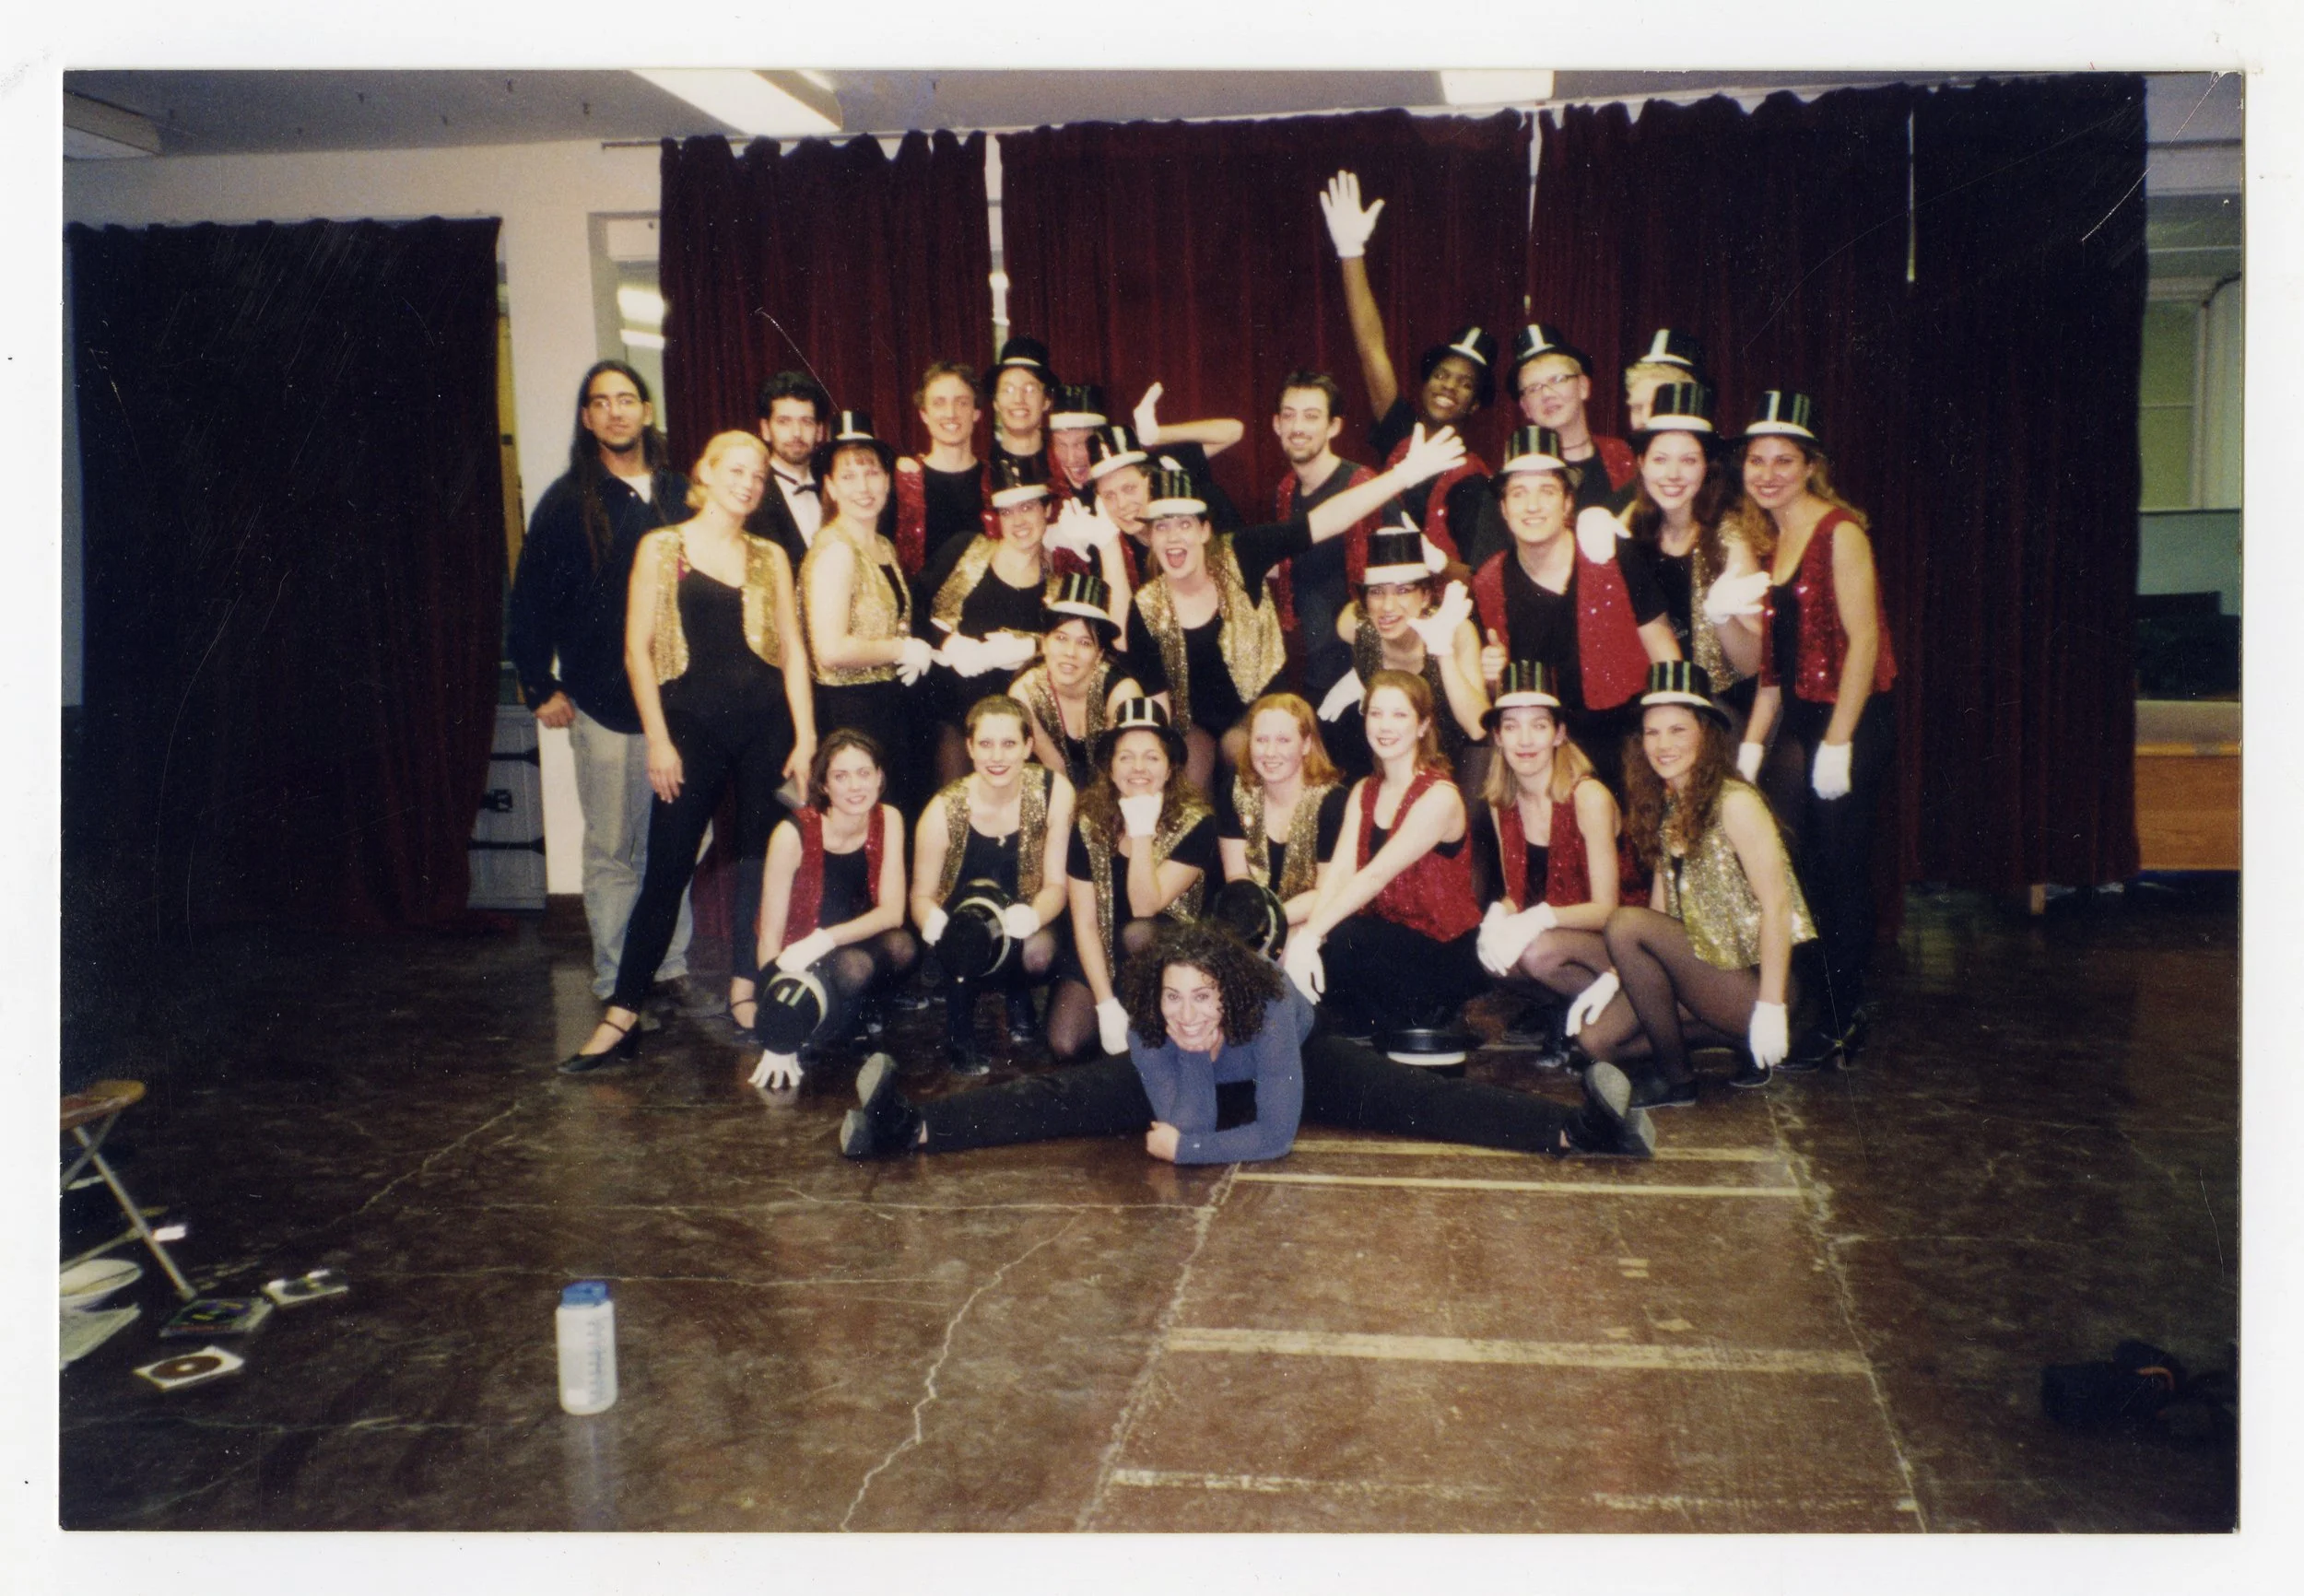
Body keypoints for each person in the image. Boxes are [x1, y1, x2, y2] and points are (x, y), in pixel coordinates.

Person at [837, 919, 1655, 1163]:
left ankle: (1581, 1131)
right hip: (1202, 1078)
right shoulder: (1161, 1026)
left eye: (1201, 997)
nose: (1188, 1012)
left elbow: (1271, 1134)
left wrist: (1184, 1148)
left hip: (1296, 1064)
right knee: (1064, 1097)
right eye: (1174, 998)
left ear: (1226, 992)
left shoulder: (1263, 1011)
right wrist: (1187, 1124)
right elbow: (1187, 1103)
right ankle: (907, 1126)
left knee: (1416, 1099)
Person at [558, 429, 817, 1074]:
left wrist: (807, 737)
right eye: (736, 470)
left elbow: (792, 651)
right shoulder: (660, 546)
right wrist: (659, 739)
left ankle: (745, 990)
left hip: (766, 730)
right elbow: (637, 651)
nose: (748, 482)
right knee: (667, 869)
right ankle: (621, 1016)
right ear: (704, 471)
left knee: (757, 865)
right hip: (691, 729)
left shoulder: (769, 556)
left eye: (758, 475)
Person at [507, 361, 714, 1019]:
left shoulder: (684, 496)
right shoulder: (568, 503)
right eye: (602, 403)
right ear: (588, 418)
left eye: (627, 399)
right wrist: (539, 684)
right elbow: (531, 600)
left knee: (677, 842)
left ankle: (669, 964)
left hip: (680, 704)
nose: (617, 412)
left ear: (646, 410)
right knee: (613, 847)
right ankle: (615, 977)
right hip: (602, 703)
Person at [1125, 425, 1468, 792]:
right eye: (1162, 527)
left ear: (1205, 531)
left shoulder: (1239, 553)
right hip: (1194, 724)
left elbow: (1324, 520)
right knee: (1183, 778)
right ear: (1150, 537)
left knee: (1246, 752)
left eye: (1184, 525)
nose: (1174, 537)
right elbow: (1158, 709)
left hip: (1262, 706)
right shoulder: (1145, 608)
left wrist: (1401, 476)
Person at [1734, 392, 1898, 1063]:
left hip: (1849, 721)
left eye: (1784, 460)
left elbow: (1863, 643)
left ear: (1810, 467)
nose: (1768, 473)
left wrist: (1839, 743)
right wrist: (1751, 741)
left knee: (1839, 870)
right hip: (1799, 720)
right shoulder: (1771, 541)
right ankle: (1813, 1006)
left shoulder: (1840, 532)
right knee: (1796, 865)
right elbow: (1776, 660)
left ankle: (1843, 1017)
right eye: (1756, 460)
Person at [1571, 663, 1817, 1109]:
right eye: (1652, 732)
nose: (1663, 745)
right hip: (1707, 973)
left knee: (1624, 924)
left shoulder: (1736, 803)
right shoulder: (1670, 805)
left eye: (1677, 730)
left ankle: (1677, 1079)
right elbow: (1660, 918)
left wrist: (1771, 1005)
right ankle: (1725, 1042)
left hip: (1758, 982)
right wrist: (1615, 975)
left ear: (1705, 734)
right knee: (1595, 1041)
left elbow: (1778, 906)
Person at [1470, 426, 1680, 792]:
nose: (1532, 507)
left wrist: (1673, 728)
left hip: (1629, 738)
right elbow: (1496, 698)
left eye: (1547, 492)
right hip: (1545, 750)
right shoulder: (1489, 582)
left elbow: (1661, 644)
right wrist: (1492, 678)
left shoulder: (1611, 553)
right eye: (1518, 494)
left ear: (1568, 503)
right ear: (1503, 508)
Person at [1283, 670, 1486, 1043]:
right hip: (1385, 934)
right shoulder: (1365, 790)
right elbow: (1340, 873)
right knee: (1317, 940)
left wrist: (1315, 935)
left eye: (1399, 715)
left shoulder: (1439, 795)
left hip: (1440, 944)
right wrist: (1307, 937)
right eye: (1376, 714)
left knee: (1339, 938)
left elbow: (1374, 876)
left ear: (1423, 725)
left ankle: (1433, 1017)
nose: (1384, 726)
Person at [917, 454, 1133, 786]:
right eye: (1008, 511)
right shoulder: (965, 550)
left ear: (1047, 510)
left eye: (1028, 507)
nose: (1018, 520)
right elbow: (913, 608)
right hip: (956, 718)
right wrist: (946, 642)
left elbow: (1105, 637)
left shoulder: (1061, 577)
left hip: (1030, 725)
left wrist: (1031, 645)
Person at [1319, 171, 1497, 560]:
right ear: (1425, 383)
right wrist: (1351, 251)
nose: (1449, 386)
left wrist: (1430, 558)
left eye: (1465, 384)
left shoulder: (1475, 482)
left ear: (1475, 404)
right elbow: (1371, 350)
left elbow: (1480, 580)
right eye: (1442, 375)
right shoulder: (1399, 429)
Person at [1475, 662, 1634, 1062]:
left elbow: (1608, 911)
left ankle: (1620, 1008)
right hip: (1565, 932)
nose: (1524, 739)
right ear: (1497, 736)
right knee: (1494, 952)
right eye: (1511, 726)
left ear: (1559, 733)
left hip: (1623, 940)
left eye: (1539, 725)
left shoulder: (1588, 796)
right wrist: (1498, 913)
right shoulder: (1502, 802)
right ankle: (1563, 1010)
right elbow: (1518, 892)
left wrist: (1538, 918)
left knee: (1536, 952)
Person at [911, 695, 1076, 1074]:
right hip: (963, 932)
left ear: (1028, 747)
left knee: (1041, 953)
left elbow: (1056, 884)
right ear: (969, 747)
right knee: (965, 938)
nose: (997, 757)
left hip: (1024, 913)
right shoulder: (941, 810)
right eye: (985, 744)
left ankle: (1019, 993)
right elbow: (920, 895)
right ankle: (959, 1027)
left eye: (1009, 744)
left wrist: (1034, 916)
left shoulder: (1056, 792)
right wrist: (931, 921)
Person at [1047, 698, 1219, 1062]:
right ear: (1110, 767)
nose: (1138, 767)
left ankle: (1156, 1032)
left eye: (1151, 757)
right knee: (1064, 1041)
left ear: (1171, 767)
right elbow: (1086, 923)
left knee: (1137, 932)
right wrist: (1106, 1003)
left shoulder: (1197, 822)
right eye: (1126, 757)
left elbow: (1145, 906)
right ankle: (1121, 1017)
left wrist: (1142, 829)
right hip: (1103, 950)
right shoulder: (1089, 821)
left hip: (1166, 948)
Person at [747, 730, 918, 1091]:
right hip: (799, 955)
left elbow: (892, 913)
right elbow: (770, 937)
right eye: (841, 776)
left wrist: (826, 938)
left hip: (845, 938)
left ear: (879, 777)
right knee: (855, 968)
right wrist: (778, 1021)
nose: (856, 786)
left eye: (864, 773)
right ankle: (839, 1019)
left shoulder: (889, 818)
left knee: (903, 946)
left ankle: (858, 1011)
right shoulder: (791, 835)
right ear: (823, 785)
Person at [801, 411, 936, 815]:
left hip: (886, 705)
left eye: (872, 473)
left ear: (888, 480)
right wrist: (901, 649)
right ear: (829, 486)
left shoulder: (882, 546)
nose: (863, 486)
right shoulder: (837, 549)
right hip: (849, 711)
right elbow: (831, 650)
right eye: (849, 476)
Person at [1620, 381, 1770, 731]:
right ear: (1641, 464)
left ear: (1707, 468)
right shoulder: (1634, 524)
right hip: (1659, 701)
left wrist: (1724, 618)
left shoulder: (1730, 538)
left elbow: (1752, 665)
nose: (1672, 475)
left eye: (1688, 460)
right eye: (1660, 459)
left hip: (1722, 709)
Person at [1319, 523, 1490, 785]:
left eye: (1402, 591)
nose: (1387, 606)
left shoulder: (1456, 631)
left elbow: (1478, 727)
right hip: (1389, 757)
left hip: (1451, 767)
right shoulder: (1361, 629)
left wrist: (1442, 650)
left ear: (1425, 597)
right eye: (1377, 592)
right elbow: (1345, 621)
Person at [1265, 370, 1381, 702]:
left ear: (1334, 426)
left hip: (1361, 673)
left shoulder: (1363, 486)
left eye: (1311, 416)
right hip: (1309, 671)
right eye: (1289, 416)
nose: (1297, 427)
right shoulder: (1286, 490)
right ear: (1277, 424)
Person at [1216, 693, 1350, 943]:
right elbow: (1237, 879)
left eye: (1283, 740)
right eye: (1261, 740)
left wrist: (1271, 924)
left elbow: (1327, 893)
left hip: (1319, 920)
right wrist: (1257, 929)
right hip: (1255, 920)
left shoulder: (1333, 803)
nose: (1270, 752)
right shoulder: (1236, 791)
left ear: (1307, 745)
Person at [1008, 570, 1141, 792]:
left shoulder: (1122, 693)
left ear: (1099, 654)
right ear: (1044, 644)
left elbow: (1121, 772)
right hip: (1055, 791)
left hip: (1115, 791)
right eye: (1061, 638)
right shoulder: (1024, 693)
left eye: (1085, 643)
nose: (1070, 652)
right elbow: (1056, 770)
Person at [889, 360, 987, 576]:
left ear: (976, 412)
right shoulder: (902, 484)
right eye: (939, 403)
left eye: (961, 402)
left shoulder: (995, 480)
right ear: (924, 414)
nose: (951, 413)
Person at [746, 370, 834, 570]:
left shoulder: (836, 488)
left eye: (806, 422)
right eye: (784, 422)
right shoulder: (750, 495)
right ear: (766, 429)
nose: (797, 433)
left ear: (820, 431)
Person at [986, 334, 1056, 476]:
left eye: (1030, 389)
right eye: (1009, 390)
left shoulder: (1064, 467)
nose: (1019, 399)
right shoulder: (982, 473)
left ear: (1046, 401)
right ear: (995, 402)